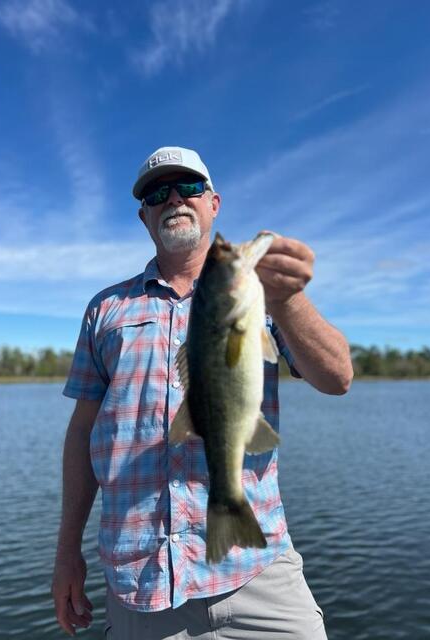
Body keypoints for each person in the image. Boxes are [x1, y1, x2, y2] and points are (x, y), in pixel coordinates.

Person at [52, 146, 353, 639]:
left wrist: (288, 299)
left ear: (214, 203)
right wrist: (67, 553)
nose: (174, 198)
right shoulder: (104, 309)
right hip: (141, 586)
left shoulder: (259, 296)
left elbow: (337, 378)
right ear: (143, 214)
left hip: (259, 571)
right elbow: (82, 432)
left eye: (189, 188)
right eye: (157, 192)